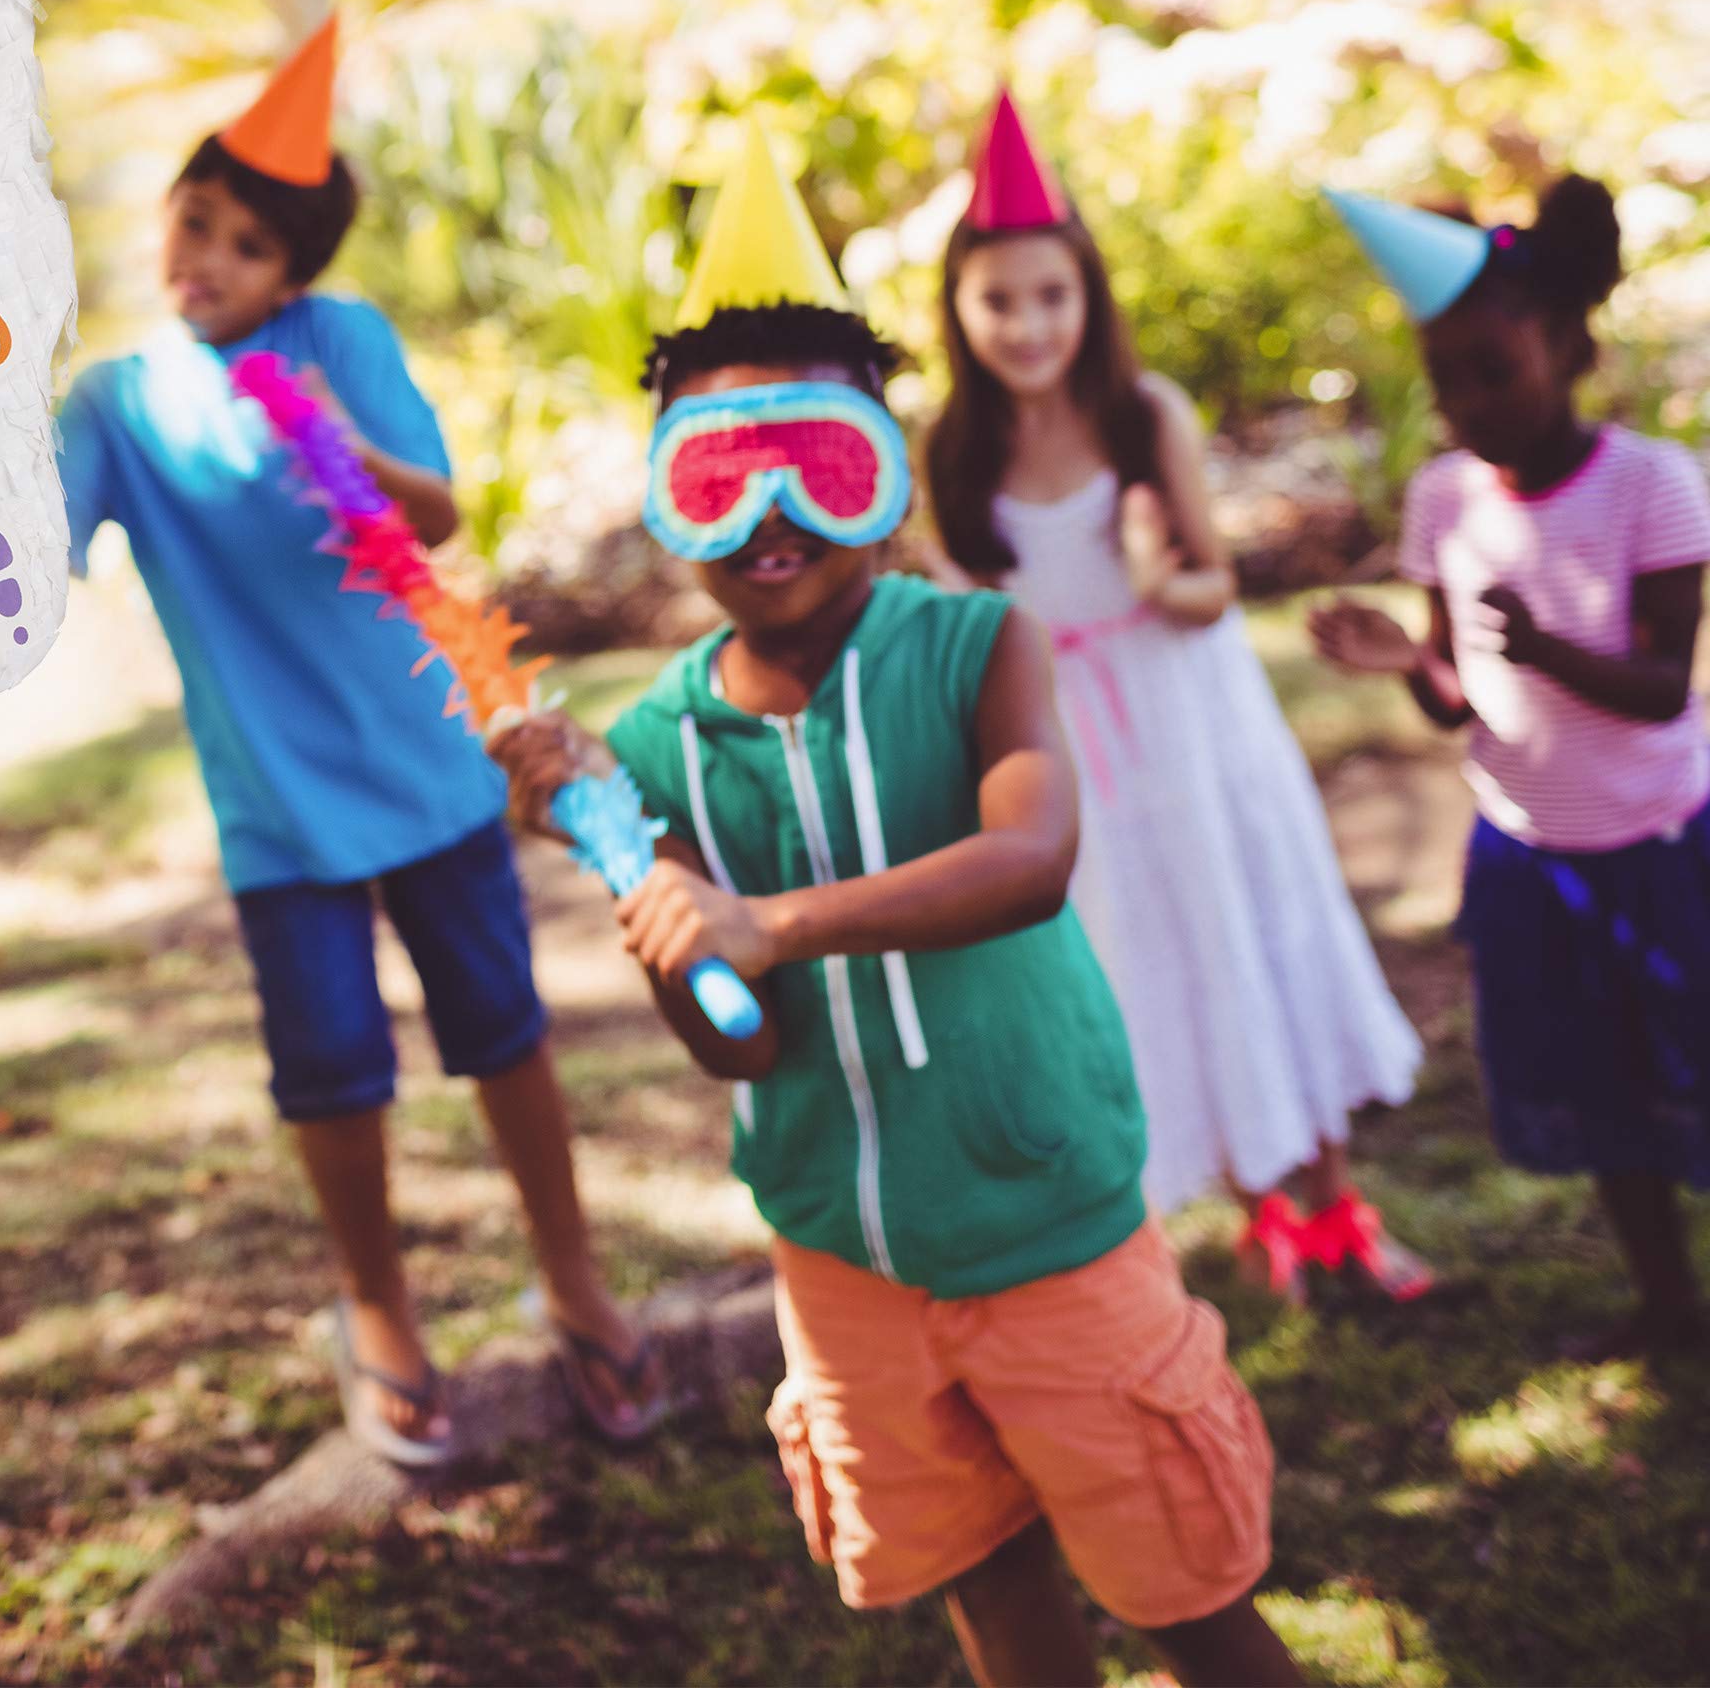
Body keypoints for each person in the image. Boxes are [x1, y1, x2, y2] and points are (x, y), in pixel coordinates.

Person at [491, 119, 1299, 1688]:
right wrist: (636, 872)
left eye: (822, 458)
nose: (771, 509)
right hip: (842, 1260)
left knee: (1188, 1596)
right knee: (988, 1592)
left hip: (1049, 1228)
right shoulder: (655, 743)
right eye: (721, 471)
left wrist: (769, 924)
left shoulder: (978, 645)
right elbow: (733, 1042)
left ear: (881, 469)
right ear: (668, 496)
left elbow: (1032, 857)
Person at [53, 14, 659, 1464]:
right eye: (195, 222)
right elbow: (38, 556)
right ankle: (374, 1304)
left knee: (502, 1033)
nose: (208, 259)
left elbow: (432, 514)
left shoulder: (345, 341)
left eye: (249, 247)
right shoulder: (121, 405)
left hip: (428, 766)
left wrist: (340, 439)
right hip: (280, 806)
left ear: (295, 273)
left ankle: (571, 1273)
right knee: (331, 1066)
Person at [923, 92, 1428, 1304]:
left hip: (1189, 725)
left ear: (1088, 294)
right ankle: (1256, 1203)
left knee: (1243, 924)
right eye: (998, 300)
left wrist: (1160, 572)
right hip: (1071, 746)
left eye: (1051, 294)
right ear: (957, 309)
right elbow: (972, 623)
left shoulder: (1143, 417)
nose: (1028, 323)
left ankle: (1333, 1201)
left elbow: (1208, 588)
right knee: (1146, 947)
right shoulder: (952, 453)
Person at [1312, 174, 1710, 1358]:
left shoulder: (1651, 485)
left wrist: (1544, 645)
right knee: (1602, 1092)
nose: (1468, 402)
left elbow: (1660, 690)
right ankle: (1666, 1302)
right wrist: (1401, 663)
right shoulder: (1442, 500)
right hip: (1533, 859)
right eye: (1446, 381)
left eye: (1494, 367)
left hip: (1660, 846)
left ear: (1568, 347)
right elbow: (1456, 700)